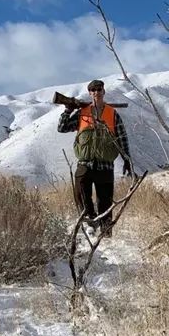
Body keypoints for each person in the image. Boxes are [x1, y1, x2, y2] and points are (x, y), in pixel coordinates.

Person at [57, 78, 133, 236]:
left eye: (99, 90)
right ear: (90, 93)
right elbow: (62, 128)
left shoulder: (112, 114)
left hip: (105, 165)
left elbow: (122, 138)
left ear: (103, 92)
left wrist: (127, 160)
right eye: (93, 90)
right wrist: (67, 110)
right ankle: (90, 221)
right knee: (80, 192)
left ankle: (106, 234)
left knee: (105, 202)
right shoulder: (82, 113)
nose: (96, 92)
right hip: (85, 163)